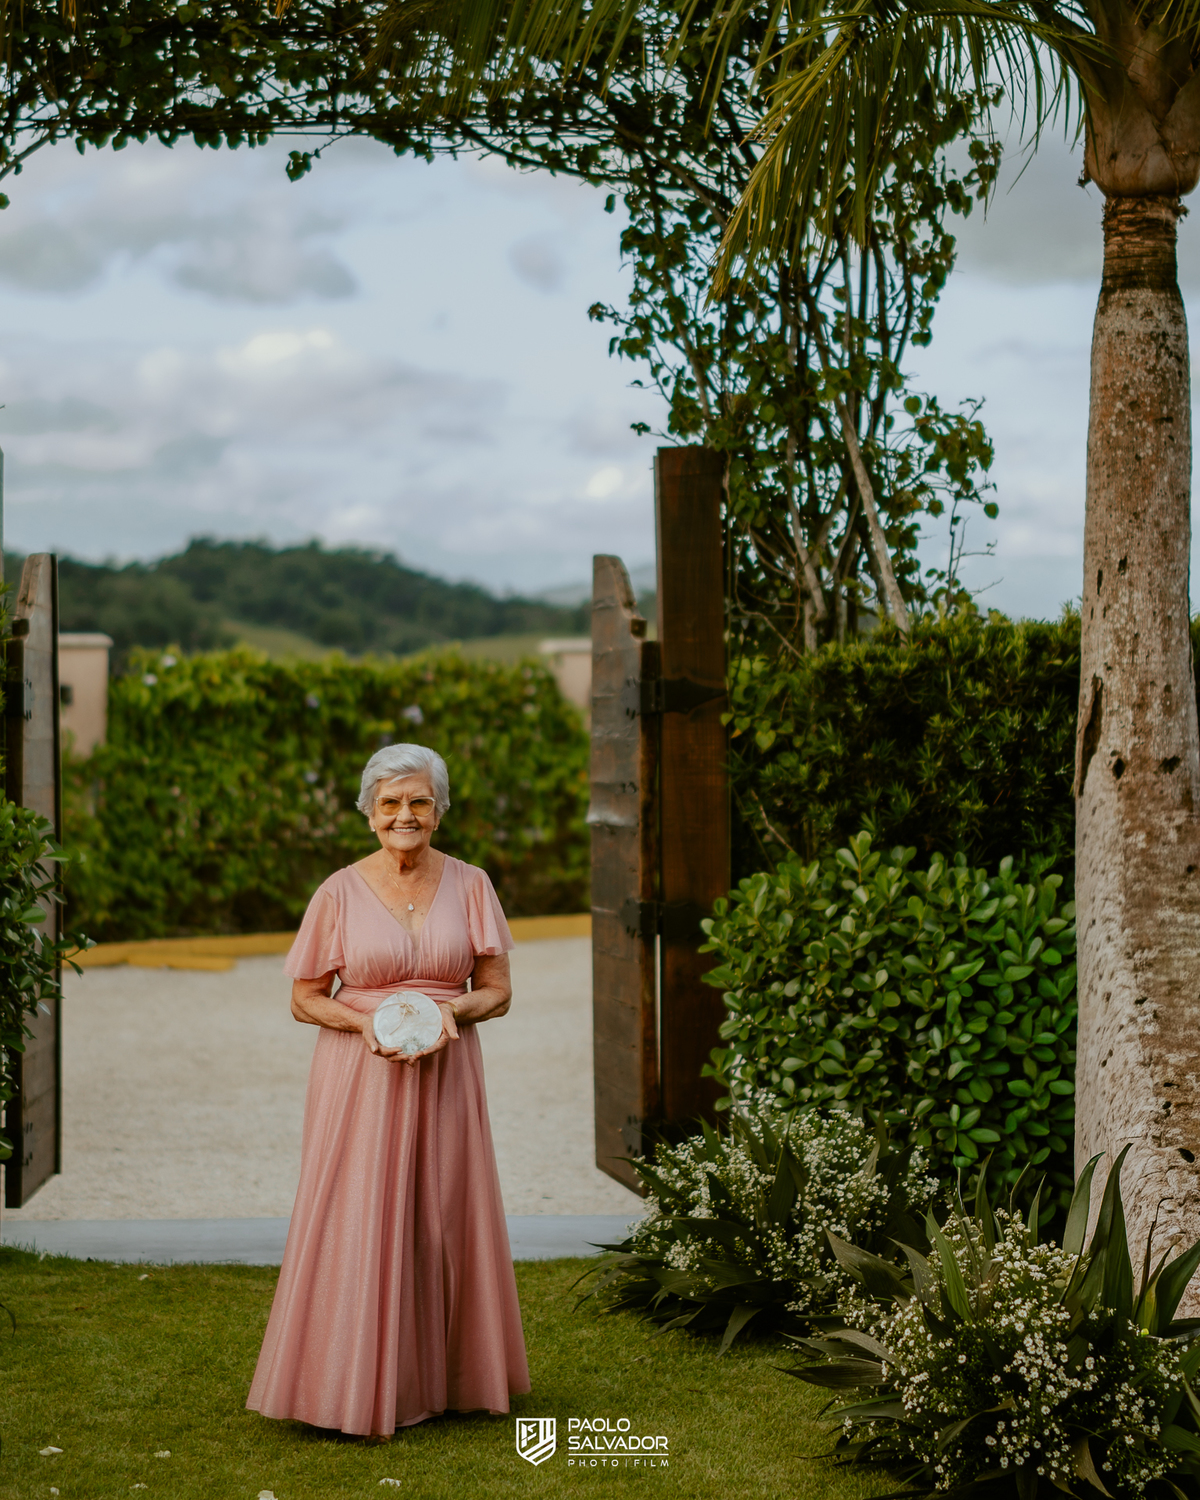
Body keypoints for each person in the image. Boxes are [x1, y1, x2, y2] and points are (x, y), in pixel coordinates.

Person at [246, 743, 530, 1436]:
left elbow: (497, 991)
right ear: (369, 815)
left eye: (419, 802)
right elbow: (305, 999)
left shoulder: (472, 884)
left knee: (446, 1214)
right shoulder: (337, 891)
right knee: (357, 1214)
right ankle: (345, 1383)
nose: (405, 815)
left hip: (449, 1069)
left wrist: (446, 1012)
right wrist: (367, 1023)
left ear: (439, 812)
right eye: (390, 803)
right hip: (360, 1073)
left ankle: (452, 1381)